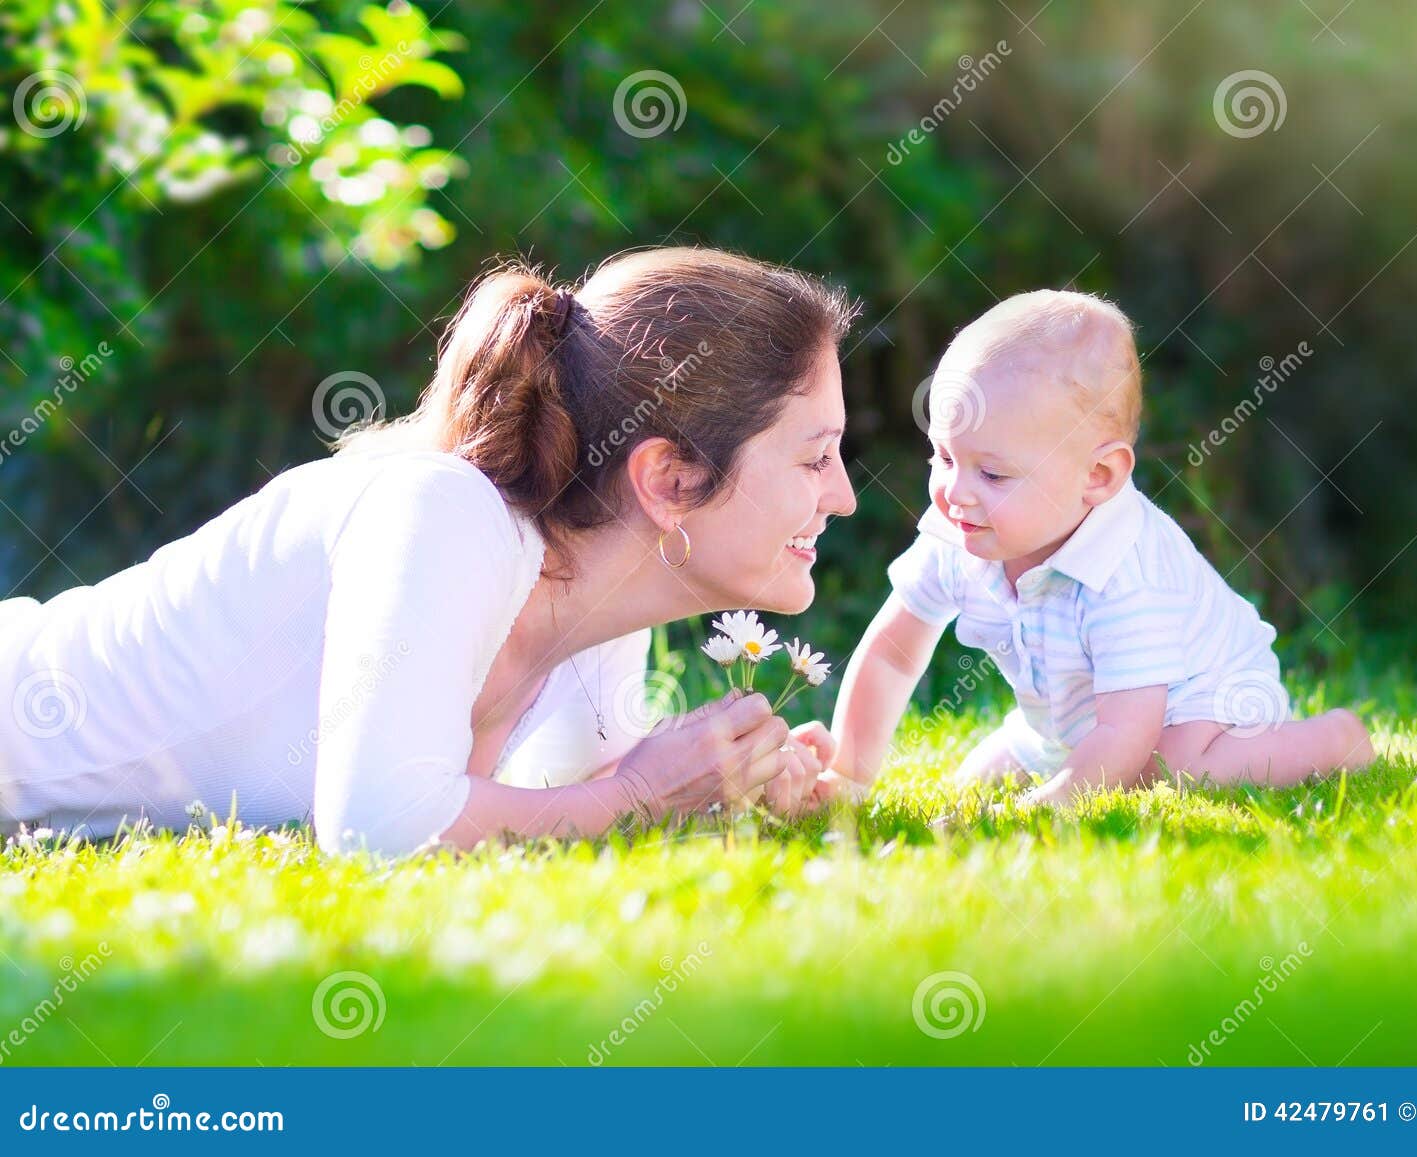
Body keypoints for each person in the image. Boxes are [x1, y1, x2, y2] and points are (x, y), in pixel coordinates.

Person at [1, 247, 858, 855]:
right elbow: (383, 829)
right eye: (816, 457)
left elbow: (550, 811)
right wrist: (641, 795)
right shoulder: (444, 513)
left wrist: (725, 785)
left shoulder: (595, 600)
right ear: (668, 480)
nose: (844, 495)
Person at [820, 289, 1374, 805]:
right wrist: (847, 774)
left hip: (1202, 706)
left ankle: (1333, 741)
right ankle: (1057, 757)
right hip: (1069, 720)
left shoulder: (1125, 570)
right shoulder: (958, 529)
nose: (954, 492)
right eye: (943, 456)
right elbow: (893, 653)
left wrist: (1056, 804)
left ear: (1099, 476)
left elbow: (1129, 725)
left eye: (992, 473)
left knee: (1164, 767)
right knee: (978, 781)